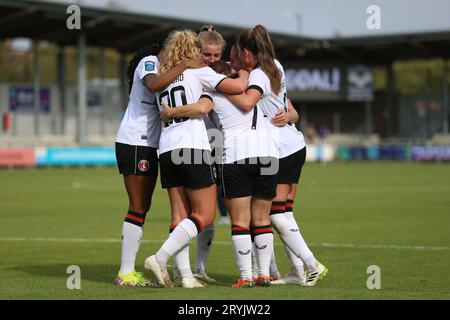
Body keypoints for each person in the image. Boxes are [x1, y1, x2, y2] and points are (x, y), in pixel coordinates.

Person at [143, 29, 249, 288]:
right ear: (192, 51)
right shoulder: (199, 72)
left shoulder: (165, 80)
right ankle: (160, 257)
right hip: (192, 147)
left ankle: (187, 276)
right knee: (206, 214)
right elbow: (238, 87)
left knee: (179, 216)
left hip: (167, 148)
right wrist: (247, 68)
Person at [161, 60, 279, 288]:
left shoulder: (214, 93)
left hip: (237, 155)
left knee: (240, 221)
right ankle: (264, 274)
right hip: (268, 155)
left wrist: (171, 112)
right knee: (263, 219)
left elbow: (201, 108)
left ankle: (246, 276)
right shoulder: (258, 91)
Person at [226, 25, 328, 287]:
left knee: (272, 214)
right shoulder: (276, 66)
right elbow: (289, 109)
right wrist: (291, 116)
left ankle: (311, 264)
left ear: (247, 53)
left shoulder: (258, 76)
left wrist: (217, 88)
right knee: (280, 212)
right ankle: (294, 269)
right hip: (292, 145)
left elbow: (248, 103)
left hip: (280, 149)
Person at [114, 43, 204, 287]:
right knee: (137, 206)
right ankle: (125, 273)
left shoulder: (168, 73)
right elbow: (153, 84)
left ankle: (128, 272)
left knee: (143, 206)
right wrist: (185, 64)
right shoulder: (150, 61)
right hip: (135, 142)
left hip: (149, 145)